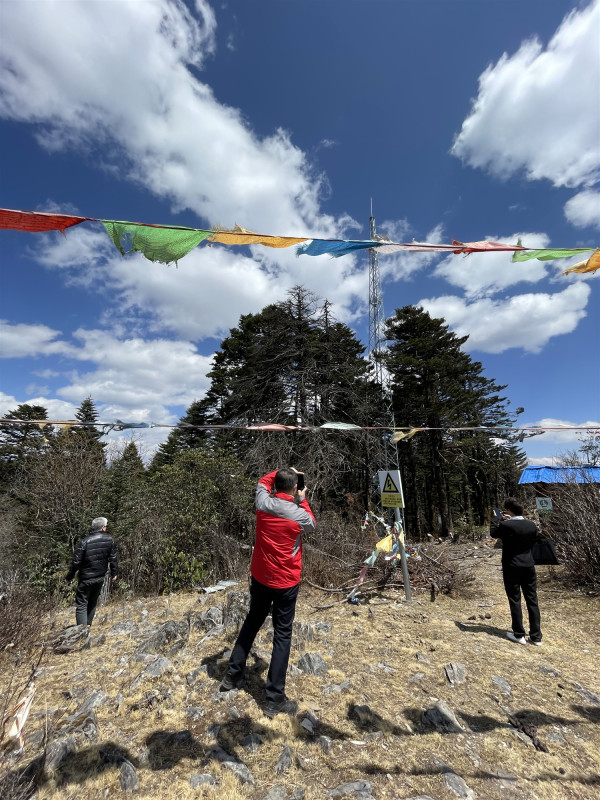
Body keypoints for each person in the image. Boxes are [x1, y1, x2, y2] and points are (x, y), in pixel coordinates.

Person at [220, 467, 316, 718]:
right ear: (294, 487)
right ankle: (274, 699)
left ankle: (231, 677)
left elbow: (262, 481)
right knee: (282, 635)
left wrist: (282, 472)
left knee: (252, 621)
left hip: (261, 578)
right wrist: (302, 499)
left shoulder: (263, 504)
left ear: (276, 485)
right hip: (286, 582)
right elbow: (312, 523)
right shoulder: (299, 514)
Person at [491, 498, 542, 646]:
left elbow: (494, 533)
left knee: (515, 599)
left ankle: (519, 634)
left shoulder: (506, 525)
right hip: (529, 565)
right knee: (532, 599)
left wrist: (495, 518)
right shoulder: (531, 525)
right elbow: (535, 539)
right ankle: (536, 636)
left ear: (509, 510)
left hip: (511, 566)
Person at [67, 516, 118, 627]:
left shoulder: (84, 541)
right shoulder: (110, 540)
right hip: (100, 577)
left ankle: (81, 631)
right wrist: (114, 573)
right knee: (92, 602)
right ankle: (87, 628)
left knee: (82, 604)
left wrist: (69, 576)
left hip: (85, 578)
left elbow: (76, 562)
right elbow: (113, 558)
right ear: (103, 527)